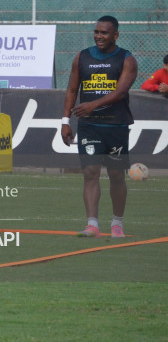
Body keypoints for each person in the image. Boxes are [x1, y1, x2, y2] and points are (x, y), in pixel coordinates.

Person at [61, 15, 138, 238]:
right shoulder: (81, 57)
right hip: (89, 126)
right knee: (90, 172)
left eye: (104, 33)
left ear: (116, 35)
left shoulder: (127, 59)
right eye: (96, 32)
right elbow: (72, 90)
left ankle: (117, 223)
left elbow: (120, 92)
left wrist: (93, 104)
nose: (99, 36)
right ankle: (92, 224)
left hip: (116, 125)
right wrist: (65, 121)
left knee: (116, 175)